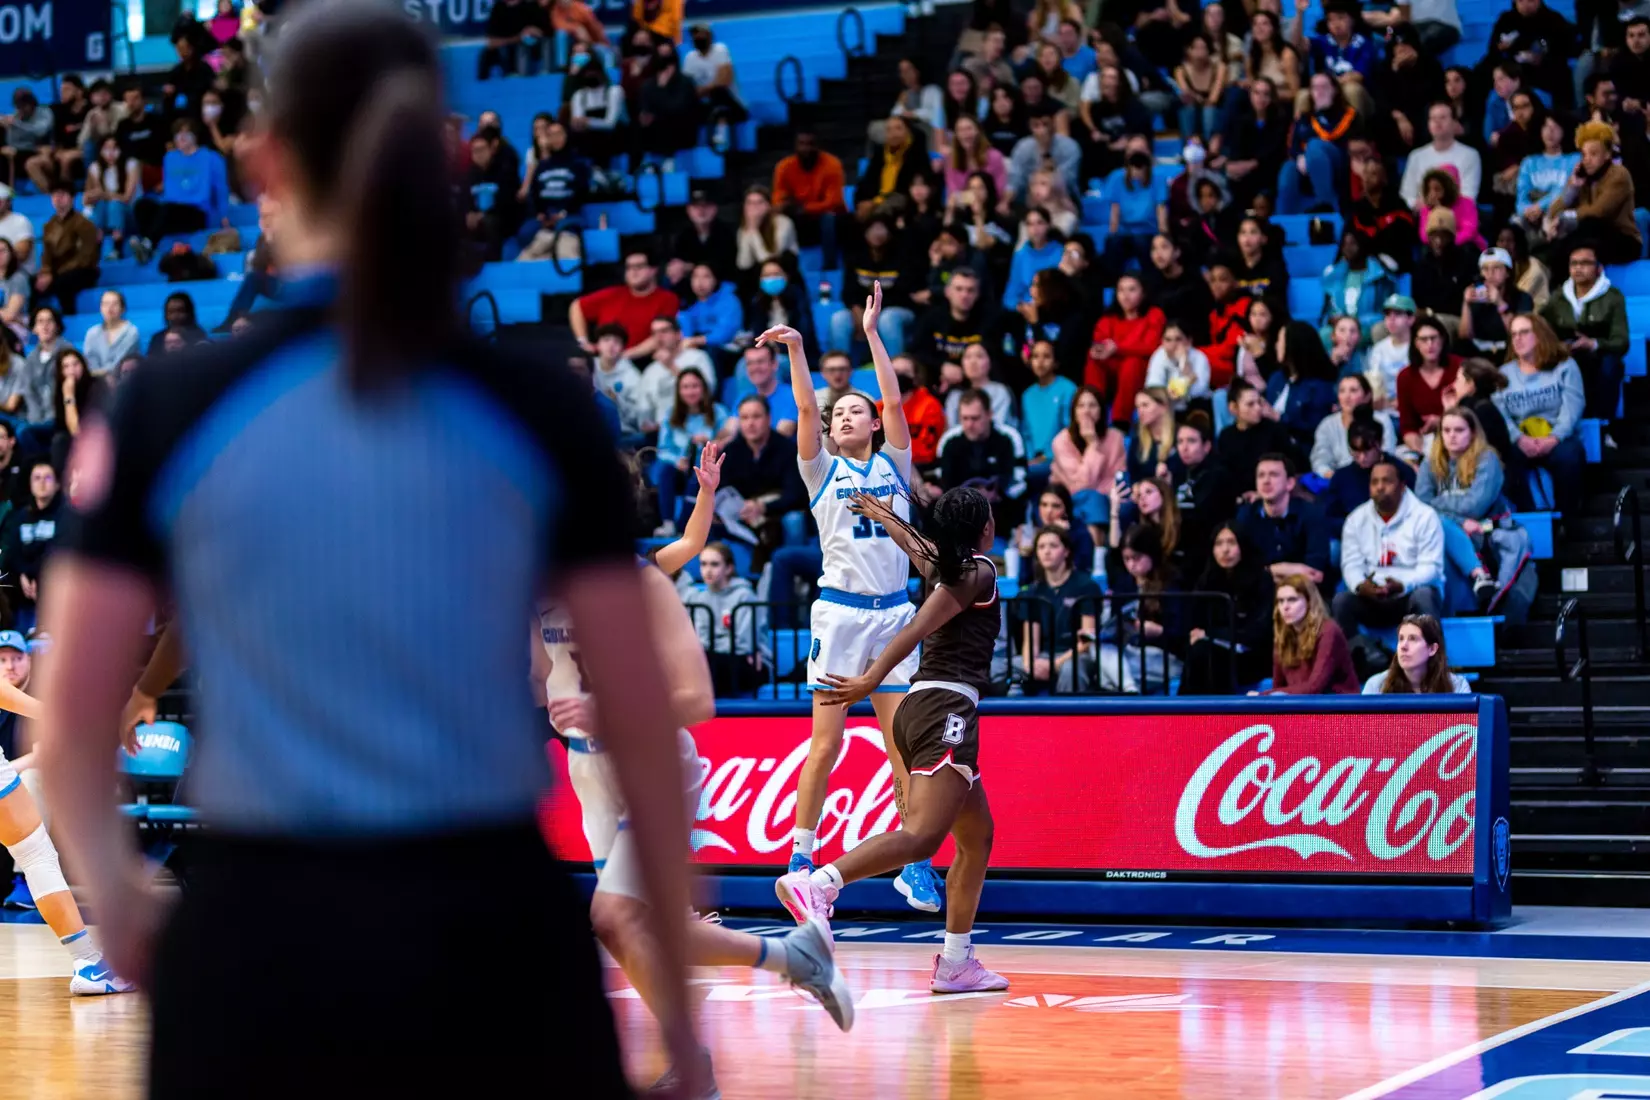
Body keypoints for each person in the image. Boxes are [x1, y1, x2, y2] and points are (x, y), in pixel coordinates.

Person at [37, 7, 702, 1093]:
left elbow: (71, 720)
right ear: (447, 153)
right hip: (495, 935)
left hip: (256, 938)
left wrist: (124, 913)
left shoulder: (163, 406)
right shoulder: (542, 406)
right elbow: (641, 727)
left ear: (263, 161)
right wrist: (686, 1027)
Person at [539, 476, 853, 1094]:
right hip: (587, 770)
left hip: (650, 761)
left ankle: (694, 1062)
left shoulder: (643, 580)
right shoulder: (534, 585)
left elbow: (698, 700)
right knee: (641, 929)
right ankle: (794, 957)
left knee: (611, 917)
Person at [760, 285, 941, 912]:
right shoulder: (821, 471)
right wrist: (797, 350)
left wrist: (870, 333)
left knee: (902, 746)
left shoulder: (894, 462)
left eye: (854, 411)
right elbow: (804, 408)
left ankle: (915, 864)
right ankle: (801, 856)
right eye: (838, 413)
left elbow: (893, 395)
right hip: (840, 614)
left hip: (894, 615)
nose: (842, 417)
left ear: (874, 423)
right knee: (826, 744)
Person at [791, 486, 1009, 996]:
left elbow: (918, 547)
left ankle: (956, 963)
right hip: (946, 709)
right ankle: (818, 885)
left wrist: (884, 515)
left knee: (977, 837)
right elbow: (916, 626)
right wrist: (870, 679)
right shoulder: (979, 571)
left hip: (922, 708)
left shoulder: (945, 566)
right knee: (922, 837)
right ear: (985, 529)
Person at [1335, 458, 1446, 640]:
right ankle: (1362, 654)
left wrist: (1402, 585)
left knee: (1424, 595)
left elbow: (1431, 568)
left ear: (1402, 486)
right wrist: (1361, 585)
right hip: (1374, 598)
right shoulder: (1356, 519)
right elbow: (1351, 564)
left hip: (1410, 595)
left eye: (1387, 481)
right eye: (1374, 482)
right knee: (1342, 601)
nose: (1380, 487)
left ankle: (1434, 655)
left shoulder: (1425, 516)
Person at [1494, 313, 1586, 509]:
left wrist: (1553, 438)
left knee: (1568, 456)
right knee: (1503, 459)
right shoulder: (1503, 374)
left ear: (1540, 335)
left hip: (1558, 438)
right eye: (1513, 334)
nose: (1517, 339)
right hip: (1520, 440)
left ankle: (1566, 517)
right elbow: (1500, 415)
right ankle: (1529, 516)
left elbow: (1573, 408)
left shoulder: (1565, 366)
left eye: (1524, 332)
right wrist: (1519, 438)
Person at [1417, 407, 1505, 610]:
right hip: (1453, 528)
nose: (1452, 436)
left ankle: (1460, 608)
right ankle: (1477, 576)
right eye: (1446, 430)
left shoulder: (1487, 459)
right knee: (1436, 527)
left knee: (1438, 526)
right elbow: (1421, 507)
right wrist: (1460, 521)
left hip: (1483, 530)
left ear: (1472, 433)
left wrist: (1439, 501)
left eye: (1459, 430)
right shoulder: (1429, 463)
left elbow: (1475, 506)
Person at [1180, 522, 1274, 694]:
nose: (1225, 550)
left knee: (1204, 654)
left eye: (1231, 542)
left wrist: (1210, 634)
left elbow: (1258, 633)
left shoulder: (1262, 580)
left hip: (1251, 658)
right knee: (1199, 653)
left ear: (1243, 545)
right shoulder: (1206, 581)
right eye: (1219, 543)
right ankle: (1186, 709)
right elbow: (1194, 625)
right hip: (1213, 653)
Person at [1539, 242, 1629, 418]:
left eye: (1585, 263)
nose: (1578, 268)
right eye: (1574, 263)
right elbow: (1540, 327)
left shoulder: (1613, 297)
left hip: (1600, 356)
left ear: (1599, 268)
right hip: (1568, 353)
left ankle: (1603, 423)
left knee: (1610, 365)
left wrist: (1593, 344)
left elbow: (1622, 341)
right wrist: (1557, 346)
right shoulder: (1558, 297)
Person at [1016, 524, 1102, 691]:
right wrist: (1030, 665)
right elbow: (1031, 642)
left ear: (1066, 551)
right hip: (1042, 656)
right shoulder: (1033, 591)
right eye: (1041, 547)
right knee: (1000, 668)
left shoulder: (1086, 586)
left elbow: (1086, 642)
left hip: (1075, 655)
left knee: (1071, 670)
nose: (1046, 551)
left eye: (1053, 546)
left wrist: (1055, 664)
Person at [1544, 120, 1642, 263]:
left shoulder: (1619, 174)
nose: (1587, 160)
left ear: (1607, 154)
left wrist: (1566, 217)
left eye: (1593, 154)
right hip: (1593, 234)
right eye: (1584, 155)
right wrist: (1572, 189)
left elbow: (1599, 212)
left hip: (1624, 240)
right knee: (1557, 247)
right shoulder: (1583, 178)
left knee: (1589, 225)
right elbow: (1553, 211)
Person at [1233, 453, 1331, 586]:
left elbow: (1315, 574)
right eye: (1261, 475)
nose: (1266, 481)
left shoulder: (1312, 514)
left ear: (1290, 483)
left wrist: (1263, 572)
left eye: (1273, 475)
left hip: (1303, 591)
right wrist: (1282, 569)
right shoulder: (1245, 515)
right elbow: (1241, 571)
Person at [1276, 71, 1361, 215]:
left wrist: (1312, 153)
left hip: (1341, 166)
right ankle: (1284, 220)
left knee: (1315, 146)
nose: (1319, 92)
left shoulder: (1350, 116)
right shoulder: (1304, 119)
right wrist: (1299, 157)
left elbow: (1356, 146)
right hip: (1307, 169)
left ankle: (1326, 207)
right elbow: (1293, 147)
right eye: (1315, 88)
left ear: (1334, 90)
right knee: (1288, 167)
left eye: (1324, 87)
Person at [570, 249, 680, 356]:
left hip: (642, 360)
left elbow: (661, 336)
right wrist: (583, 342)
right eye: (629, 268)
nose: (633, 272)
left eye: (639, 267)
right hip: (603, 360)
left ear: (653, 270)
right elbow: (577, 306)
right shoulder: (613, 294)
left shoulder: (667, 299)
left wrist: (623, 357)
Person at [1265, 573, 1360, 694]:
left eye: (1292, 600)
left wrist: (1261, 695)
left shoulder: (1328, 631)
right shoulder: (1283, 635)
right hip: (1300, 702)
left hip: (1337, 702)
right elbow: (1278, 687)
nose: (1285, 607)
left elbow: (1315, 687)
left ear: (1309, 602)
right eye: (1280, 601)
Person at [772, 130, 846, 260]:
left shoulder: (832, 164)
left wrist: (804, 208)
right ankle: (780, 264)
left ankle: (830, 266)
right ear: (795, 146)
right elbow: (778, 200)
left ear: (818, 146)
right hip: (797, 218)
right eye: (802, 144)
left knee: (829, 218)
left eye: (810, 144)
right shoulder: (783, 167)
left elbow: (834, 202)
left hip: (826, 219)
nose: (806, 149)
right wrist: (786, 206)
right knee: (778, 220)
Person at [34, 185, 100, 318]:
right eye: (55, 195)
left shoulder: (84, 223)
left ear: (72, 198)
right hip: (57, 272)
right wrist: (46, 272)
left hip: (83, 269)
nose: (58, 198)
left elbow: (86, 255)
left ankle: (69, 318)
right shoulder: (49, 225)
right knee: (32, 283)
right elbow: (47, 254)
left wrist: (56, 274)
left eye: (63, 194)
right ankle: (35, 320)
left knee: (63, 283)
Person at [1400, 102, 1484, 207]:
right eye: (1433, 118)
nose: (1437, 122)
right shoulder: (1416, 156)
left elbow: (1469, 196)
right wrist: (1420, 204)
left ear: (1454, 123)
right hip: (1422, 213)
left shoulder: (1470, 155)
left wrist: (1435, 203)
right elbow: (1407, 195)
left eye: (1443, 117)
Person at [1218, 380, 1296, 492]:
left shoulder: (1274, 430)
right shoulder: (1226, 436)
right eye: (1250, 404)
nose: (1258, 408)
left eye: (1259, 402)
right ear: (1233, 408)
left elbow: (1290, 468)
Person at [1313, 373, 1396, 479]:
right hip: (1337, 479)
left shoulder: (1381, 420)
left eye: (1353, 390)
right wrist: (1336, 478)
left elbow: (1387, 453)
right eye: (1342, 391)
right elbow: (1320, 462)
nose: (1347, 396)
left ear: (1367, 396)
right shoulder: (1327, 425)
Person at [1363, 614, 1474, 693]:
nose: (1403, 646)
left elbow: (1466, 721)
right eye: (1401, 639)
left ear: (1432, 649)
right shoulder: (1376, 686)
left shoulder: (1457, 686)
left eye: (1413, 639)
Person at [1459, 247, 1533, 359]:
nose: (1490, 273)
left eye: (1496, 268)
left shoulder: (1522, 298)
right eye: (1485, 269)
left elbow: (1520, 335)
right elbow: (1465, 336)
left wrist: (1500, 303)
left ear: (1508, 272)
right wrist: (1466, 305)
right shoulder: (1476, 296)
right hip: (1479, 354)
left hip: (1510, 352)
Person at [83, 136, 141, 260]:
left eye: (114, 148)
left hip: (130, 216)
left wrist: (103, 194)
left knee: (115, 203)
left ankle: (117, 247)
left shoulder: (131, 164)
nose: (110, 153)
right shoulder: (95, 168)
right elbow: (86, 200)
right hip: (106, 217)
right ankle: (97, 245)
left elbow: (126, 198)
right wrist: (92, 197)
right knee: (100, 204)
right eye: (106, 148)